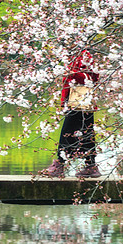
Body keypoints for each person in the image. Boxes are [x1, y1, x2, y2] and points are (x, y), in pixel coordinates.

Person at [42, 50, 101, 178]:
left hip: (81, 101)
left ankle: (60, 163)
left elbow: (92, 76)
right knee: (86, 132)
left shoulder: (84, 55)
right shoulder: (74, 55)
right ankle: (90, 165)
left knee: (67, 132)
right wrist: (64, 102)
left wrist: (72, 74)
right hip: (78, 101)